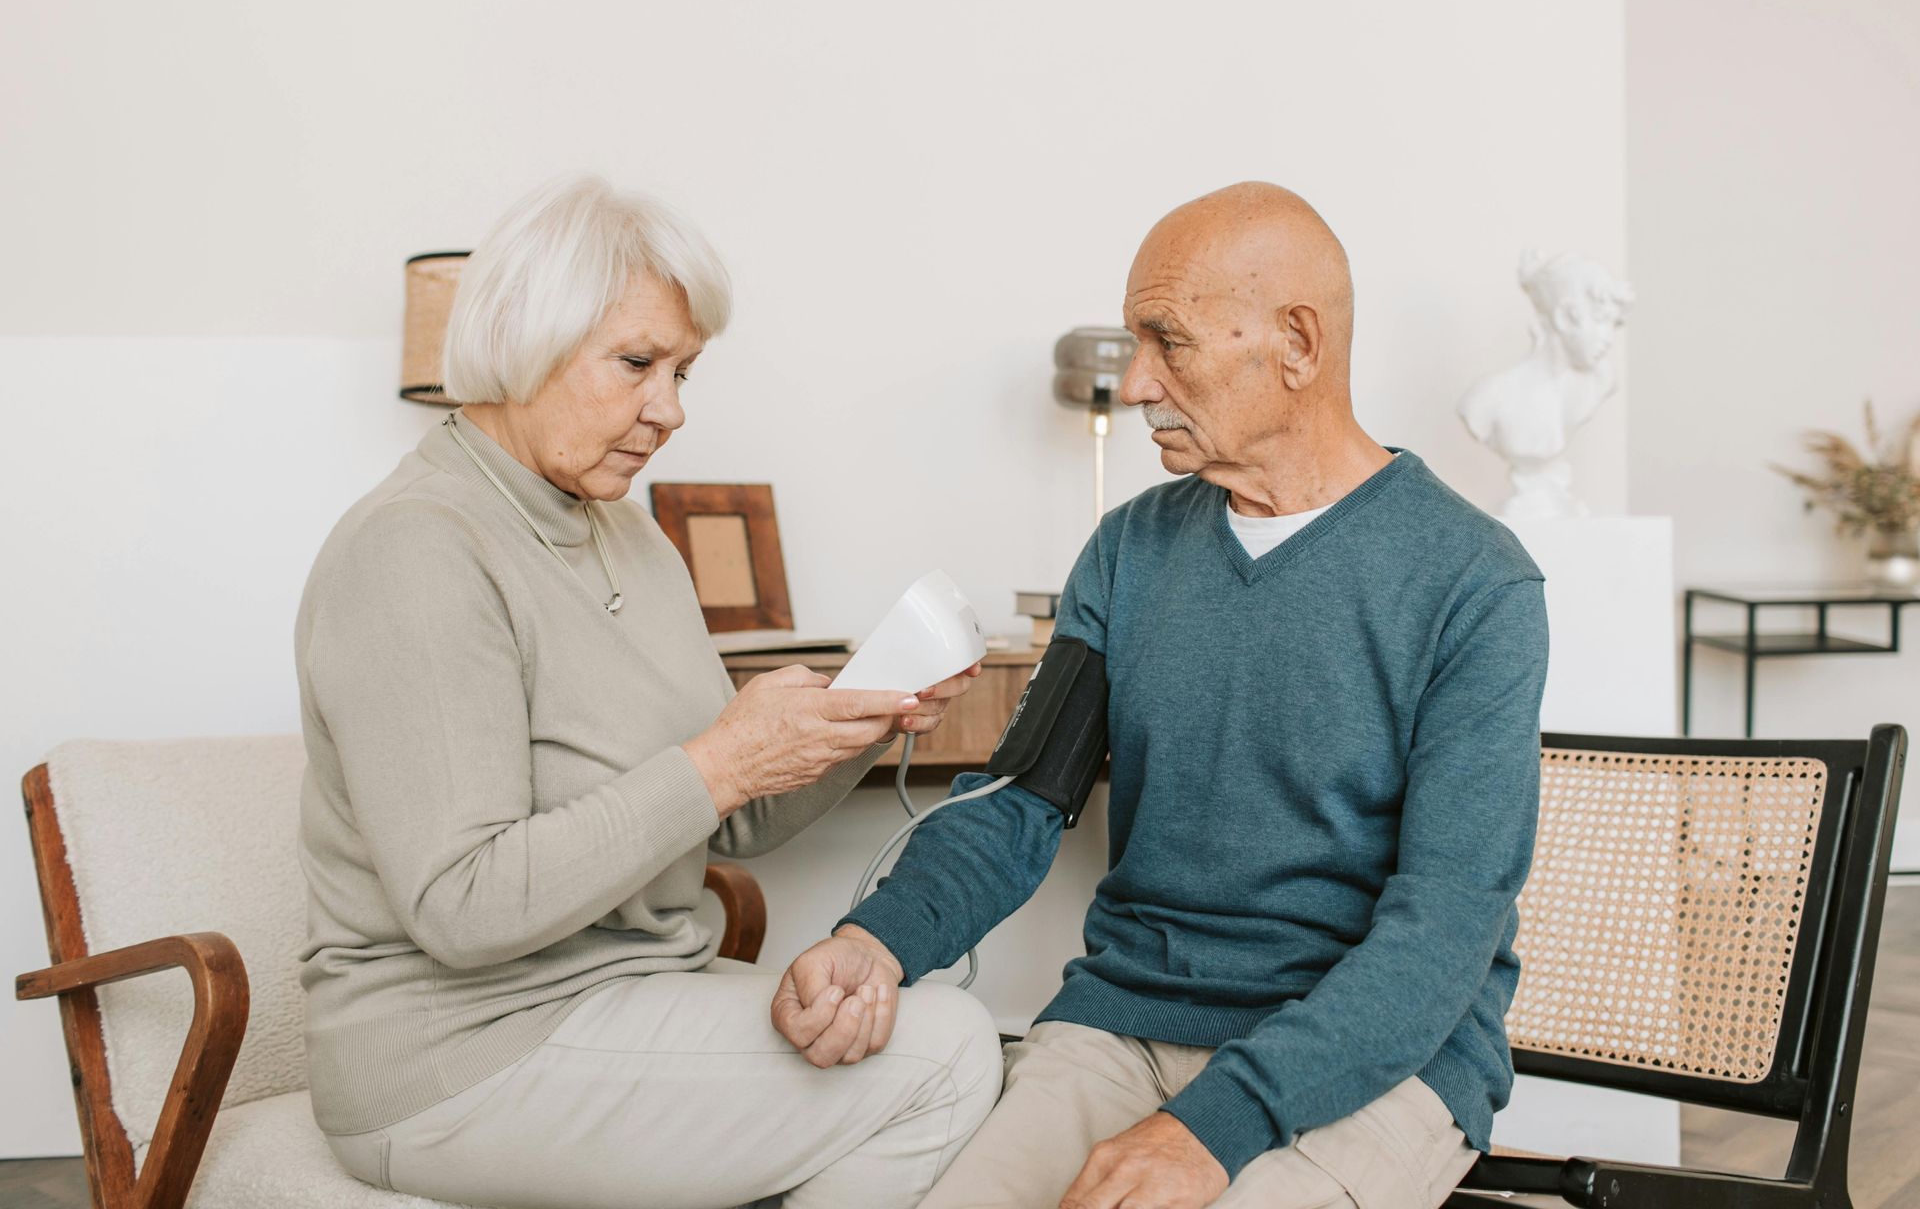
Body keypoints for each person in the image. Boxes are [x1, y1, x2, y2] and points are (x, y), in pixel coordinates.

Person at [772, 182, 1551, 1209]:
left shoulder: (1474, 581)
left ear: (1298, 344)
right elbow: (1019, 801)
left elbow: (1441, 932)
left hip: (1374, 1061)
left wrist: (1212, 1128)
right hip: (1124, 1027)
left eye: (1167, 341)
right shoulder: (1129, 551)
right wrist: (879, 935)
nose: (1137, 380)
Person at [295, 173, 999, 1209]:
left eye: (683, 371)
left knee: (903, 1024)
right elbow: (461, 903)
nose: (668, 409)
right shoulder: (418, 547)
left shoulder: (626, 531)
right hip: (461, 1054)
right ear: (525, 340)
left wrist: (856, 723)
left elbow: (734, 818)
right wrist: (719, 763)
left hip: (626, 997)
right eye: (637, 363)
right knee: (948, 1056)